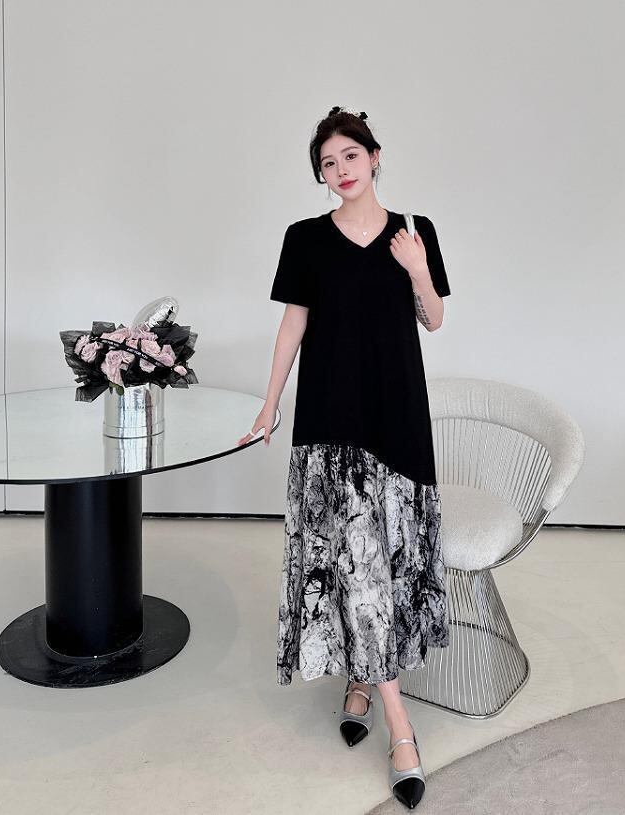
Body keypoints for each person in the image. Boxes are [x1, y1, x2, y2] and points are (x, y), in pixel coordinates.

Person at [237, 105, 452, 809]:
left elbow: (433, 318)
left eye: (349, 156)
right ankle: (401, 730)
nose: (339, 171)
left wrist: (417, 270)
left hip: (397, 418)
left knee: (382, 563)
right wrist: (270, 403)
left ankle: (361, 675)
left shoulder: (415, 231)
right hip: (330, 422)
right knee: (356, 564)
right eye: (327, 164)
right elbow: (292, 324)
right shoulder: (304, 238)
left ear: (375, 156)